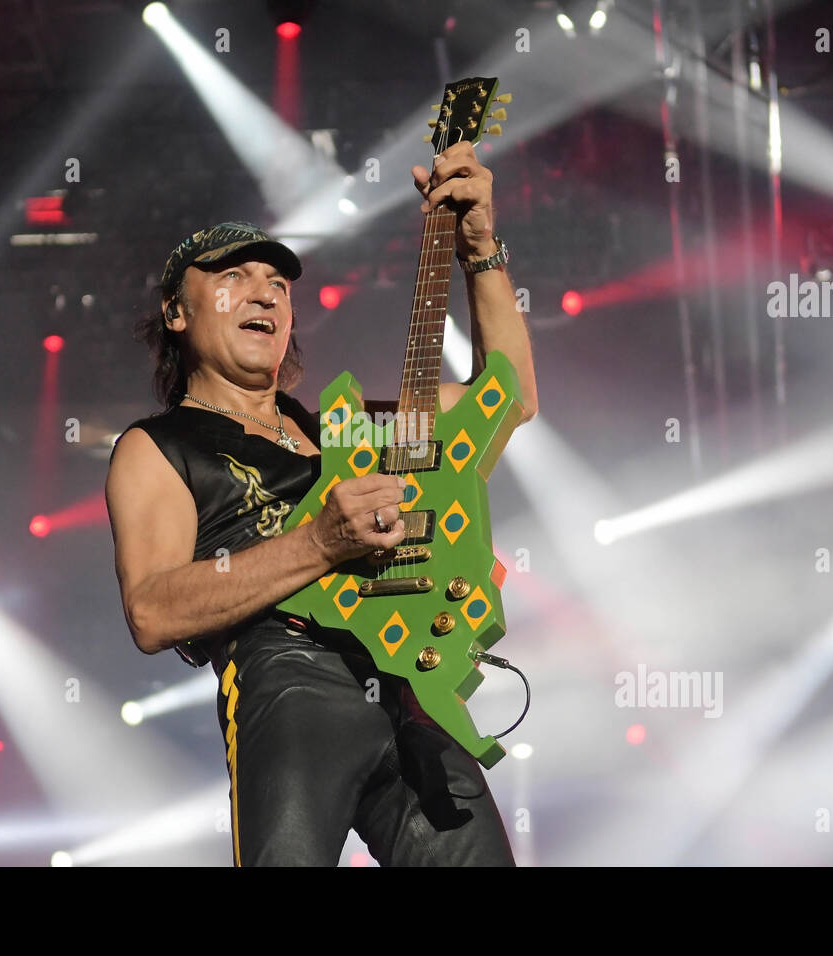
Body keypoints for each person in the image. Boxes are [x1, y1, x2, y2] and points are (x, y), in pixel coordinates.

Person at [105, 141, 538, 866]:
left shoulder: (348, 430)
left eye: (278, 281)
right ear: (177, 314)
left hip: (411, 689)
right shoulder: (159, 446)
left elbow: (509, 398)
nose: (266, 292)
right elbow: (151, 611)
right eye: (234, 276)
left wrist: (481, 250)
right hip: (287, 680)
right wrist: (319, 544)